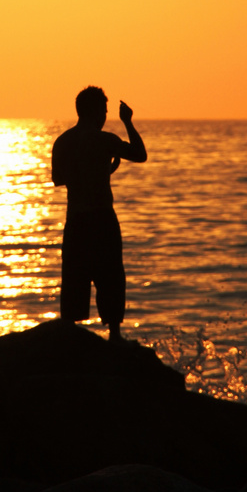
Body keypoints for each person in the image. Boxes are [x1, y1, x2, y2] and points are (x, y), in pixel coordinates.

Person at [51, 86, 147, 341]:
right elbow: (140, 155)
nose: (106, 116)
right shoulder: (106, 141)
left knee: (74, 277)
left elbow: (58, 179)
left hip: (77, 220)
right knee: (110, 276)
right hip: (102, 218)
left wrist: (95, 171)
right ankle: (114, 334)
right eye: (104, 111)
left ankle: (70, 335)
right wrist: (128, 122)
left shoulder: (63, 142)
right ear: (95, 112)